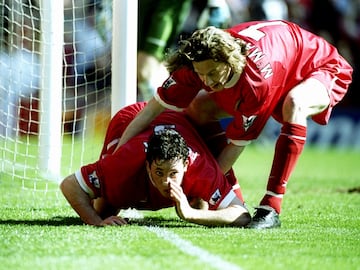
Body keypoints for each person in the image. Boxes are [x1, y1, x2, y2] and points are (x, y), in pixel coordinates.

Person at [115, 20, 353, 229]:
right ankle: (228, 191)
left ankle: (271, 207)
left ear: (227, 61)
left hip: (320, 66)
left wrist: (200, 191)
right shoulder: (195, 65)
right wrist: (116, 160)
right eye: (201, 75)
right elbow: (149, 112)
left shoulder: (255, 84)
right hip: (281, 63)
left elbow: (235, 147)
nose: (206, 81)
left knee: (295, 103)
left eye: (211, 73)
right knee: (199, 108)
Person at [60, 102, 250, 227]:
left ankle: (194, 196)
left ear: (186, 165)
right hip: (131, 119)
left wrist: (191, 214)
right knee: (104, 210)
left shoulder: (201, 168)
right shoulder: (126, 162)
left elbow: (242, 215)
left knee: (202, 205)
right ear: (147, 165)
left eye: (173, 173)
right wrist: (96, 222)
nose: (166, 181)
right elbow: (69, 185)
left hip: (181, 121)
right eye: (159, 172)